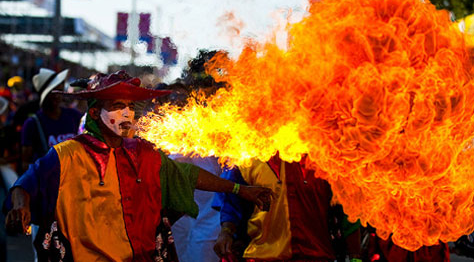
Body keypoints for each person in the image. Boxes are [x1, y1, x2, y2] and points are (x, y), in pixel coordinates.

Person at [4, 71, 273, 261]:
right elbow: (25, 184)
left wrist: (240, 189)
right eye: (117, 106)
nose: (127, 114)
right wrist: (20, 206)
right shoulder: (68, 154)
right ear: (96, 113)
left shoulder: (142, 152)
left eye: (130, 107)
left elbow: (188, 175)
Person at [213, 154, 362, 262]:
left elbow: (348, 214)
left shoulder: (324, 156)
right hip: (262, 256)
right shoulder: (247, 156)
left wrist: (356, 257)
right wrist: (226, 232)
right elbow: (231, 204)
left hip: (317, 256)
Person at [21, 68, 82, 172]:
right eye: (52, 92)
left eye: (59, 90)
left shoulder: (74, 116)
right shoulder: (32, 124)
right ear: (44, 95)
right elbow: (25, 163)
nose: (57, 96)